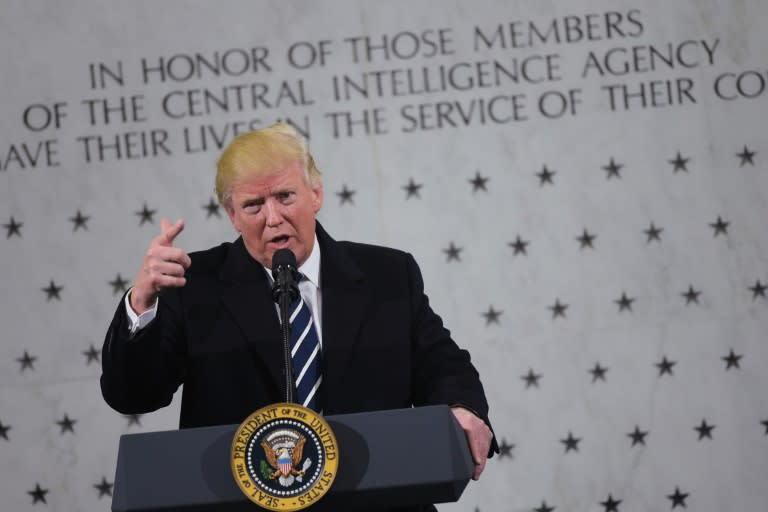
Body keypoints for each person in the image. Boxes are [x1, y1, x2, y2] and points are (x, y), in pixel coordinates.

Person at [100, 123, 498, 495]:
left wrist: (462, 409)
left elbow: (443, 365)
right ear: (232, 215)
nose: (273, 218)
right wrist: (142, 302)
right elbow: (132, 395)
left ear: (316, 194)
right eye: (254, 205)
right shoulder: (194, 285)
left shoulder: (388, 275)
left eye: (285, 196)